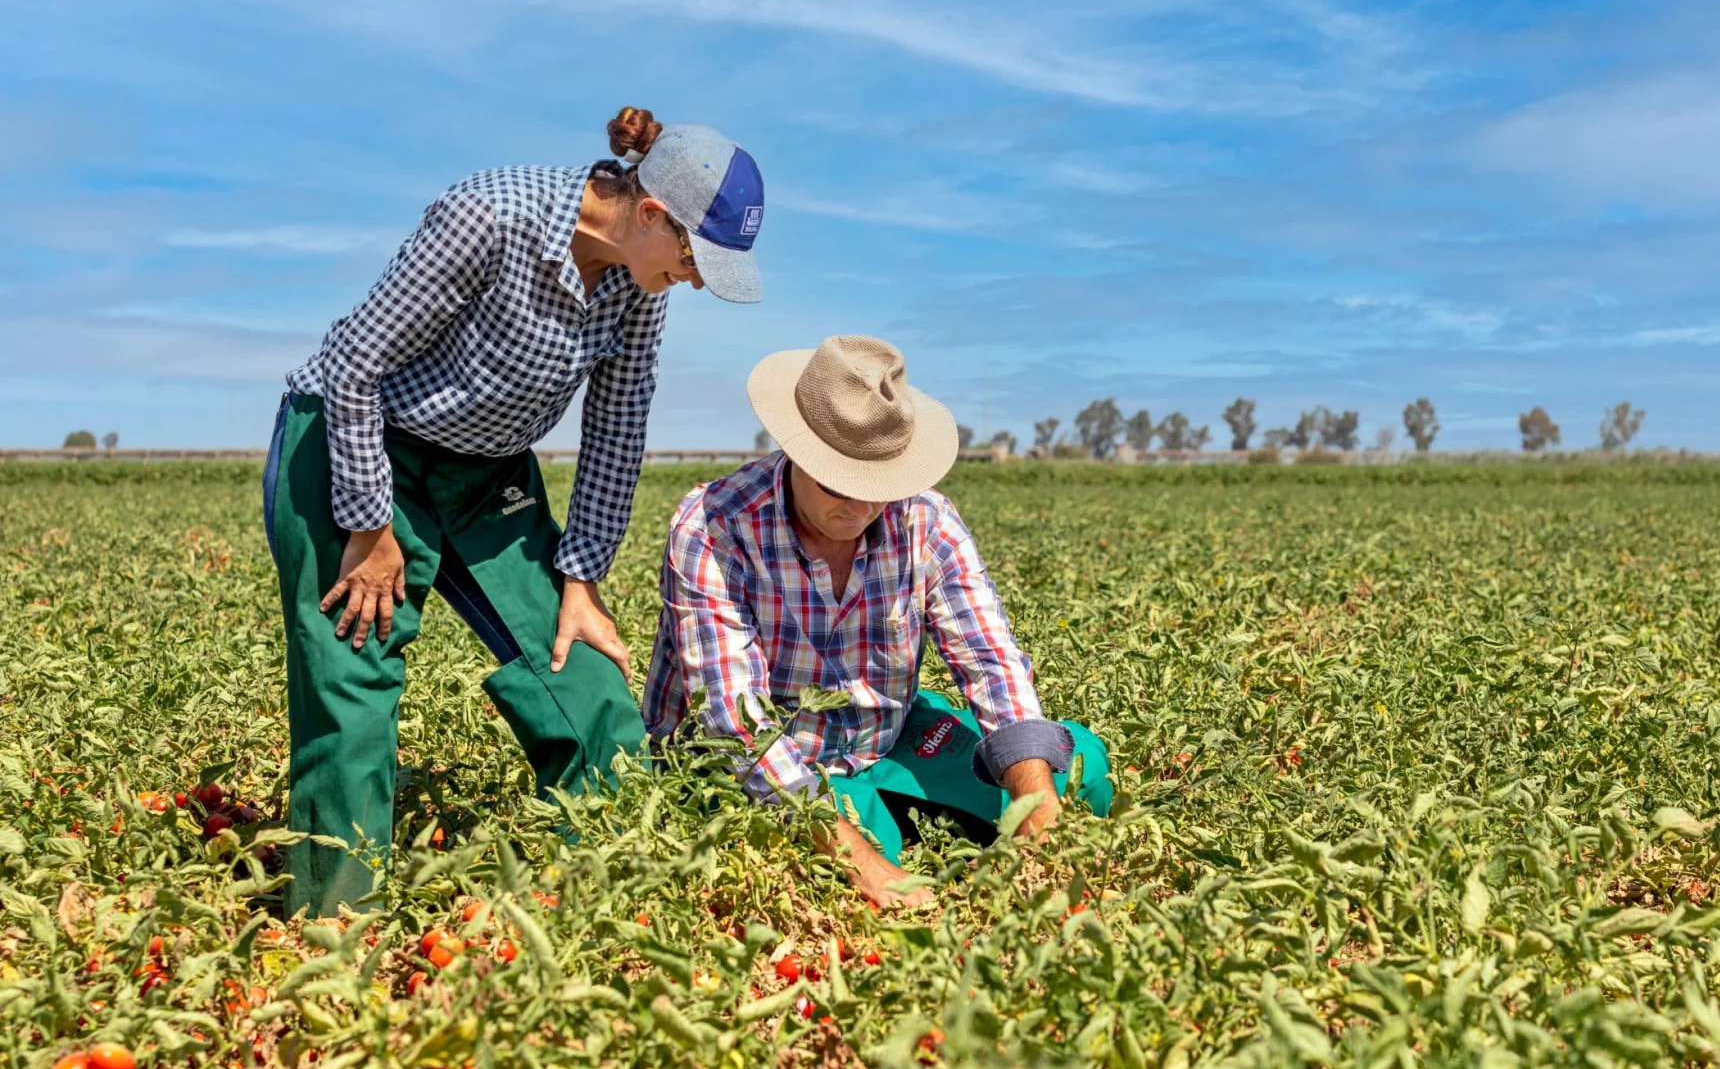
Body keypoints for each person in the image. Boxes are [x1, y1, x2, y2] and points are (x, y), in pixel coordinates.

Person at [266, 108, 767, 916]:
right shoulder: (490, 216)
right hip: (354, 442)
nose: (697, 280)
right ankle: (333, 930)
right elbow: (355, 361)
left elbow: (618, 423)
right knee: (352, 675)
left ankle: (602, 906)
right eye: (693, 260)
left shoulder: (639, 284)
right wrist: (368, 526)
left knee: (586, 676)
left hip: (485, 473)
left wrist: (582, 579)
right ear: (650, 212)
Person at [642, 336, 1113, 907]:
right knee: (842, 865)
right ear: (796, 451)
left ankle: (900, 813)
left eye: (881, 488)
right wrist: (864, 864)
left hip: (881, 740)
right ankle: (881, 828)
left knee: (1073, 764)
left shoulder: (925, 518)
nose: (862, 509)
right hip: (760, 765)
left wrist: (1033, 804)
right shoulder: (715, 525)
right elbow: (735, 722)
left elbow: (991, 661)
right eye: (839, 485)